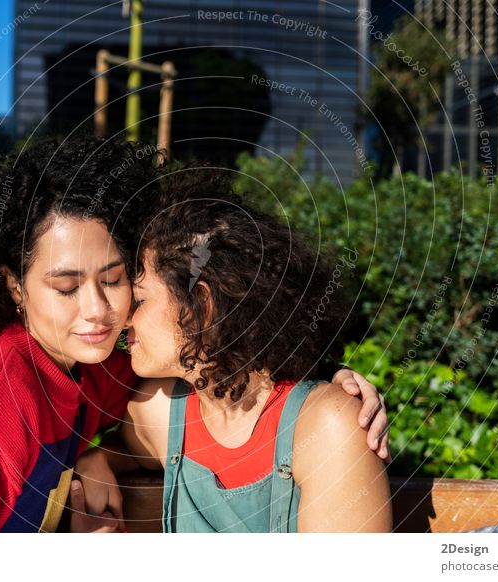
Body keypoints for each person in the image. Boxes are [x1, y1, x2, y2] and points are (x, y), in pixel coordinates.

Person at [0, 137, 387, 533]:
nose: (100, 312)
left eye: (116, 280)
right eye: (64, 286)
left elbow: (238, 365)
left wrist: (328, 380)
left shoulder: (97, 364)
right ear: (13, 286)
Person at [101, 169, 392, 532]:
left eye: (140, 300)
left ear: (201, 305)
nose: (125, 319)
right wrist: (97, 460)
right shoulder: (158, 412)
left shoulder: (327, 426)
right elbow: (125, 451)